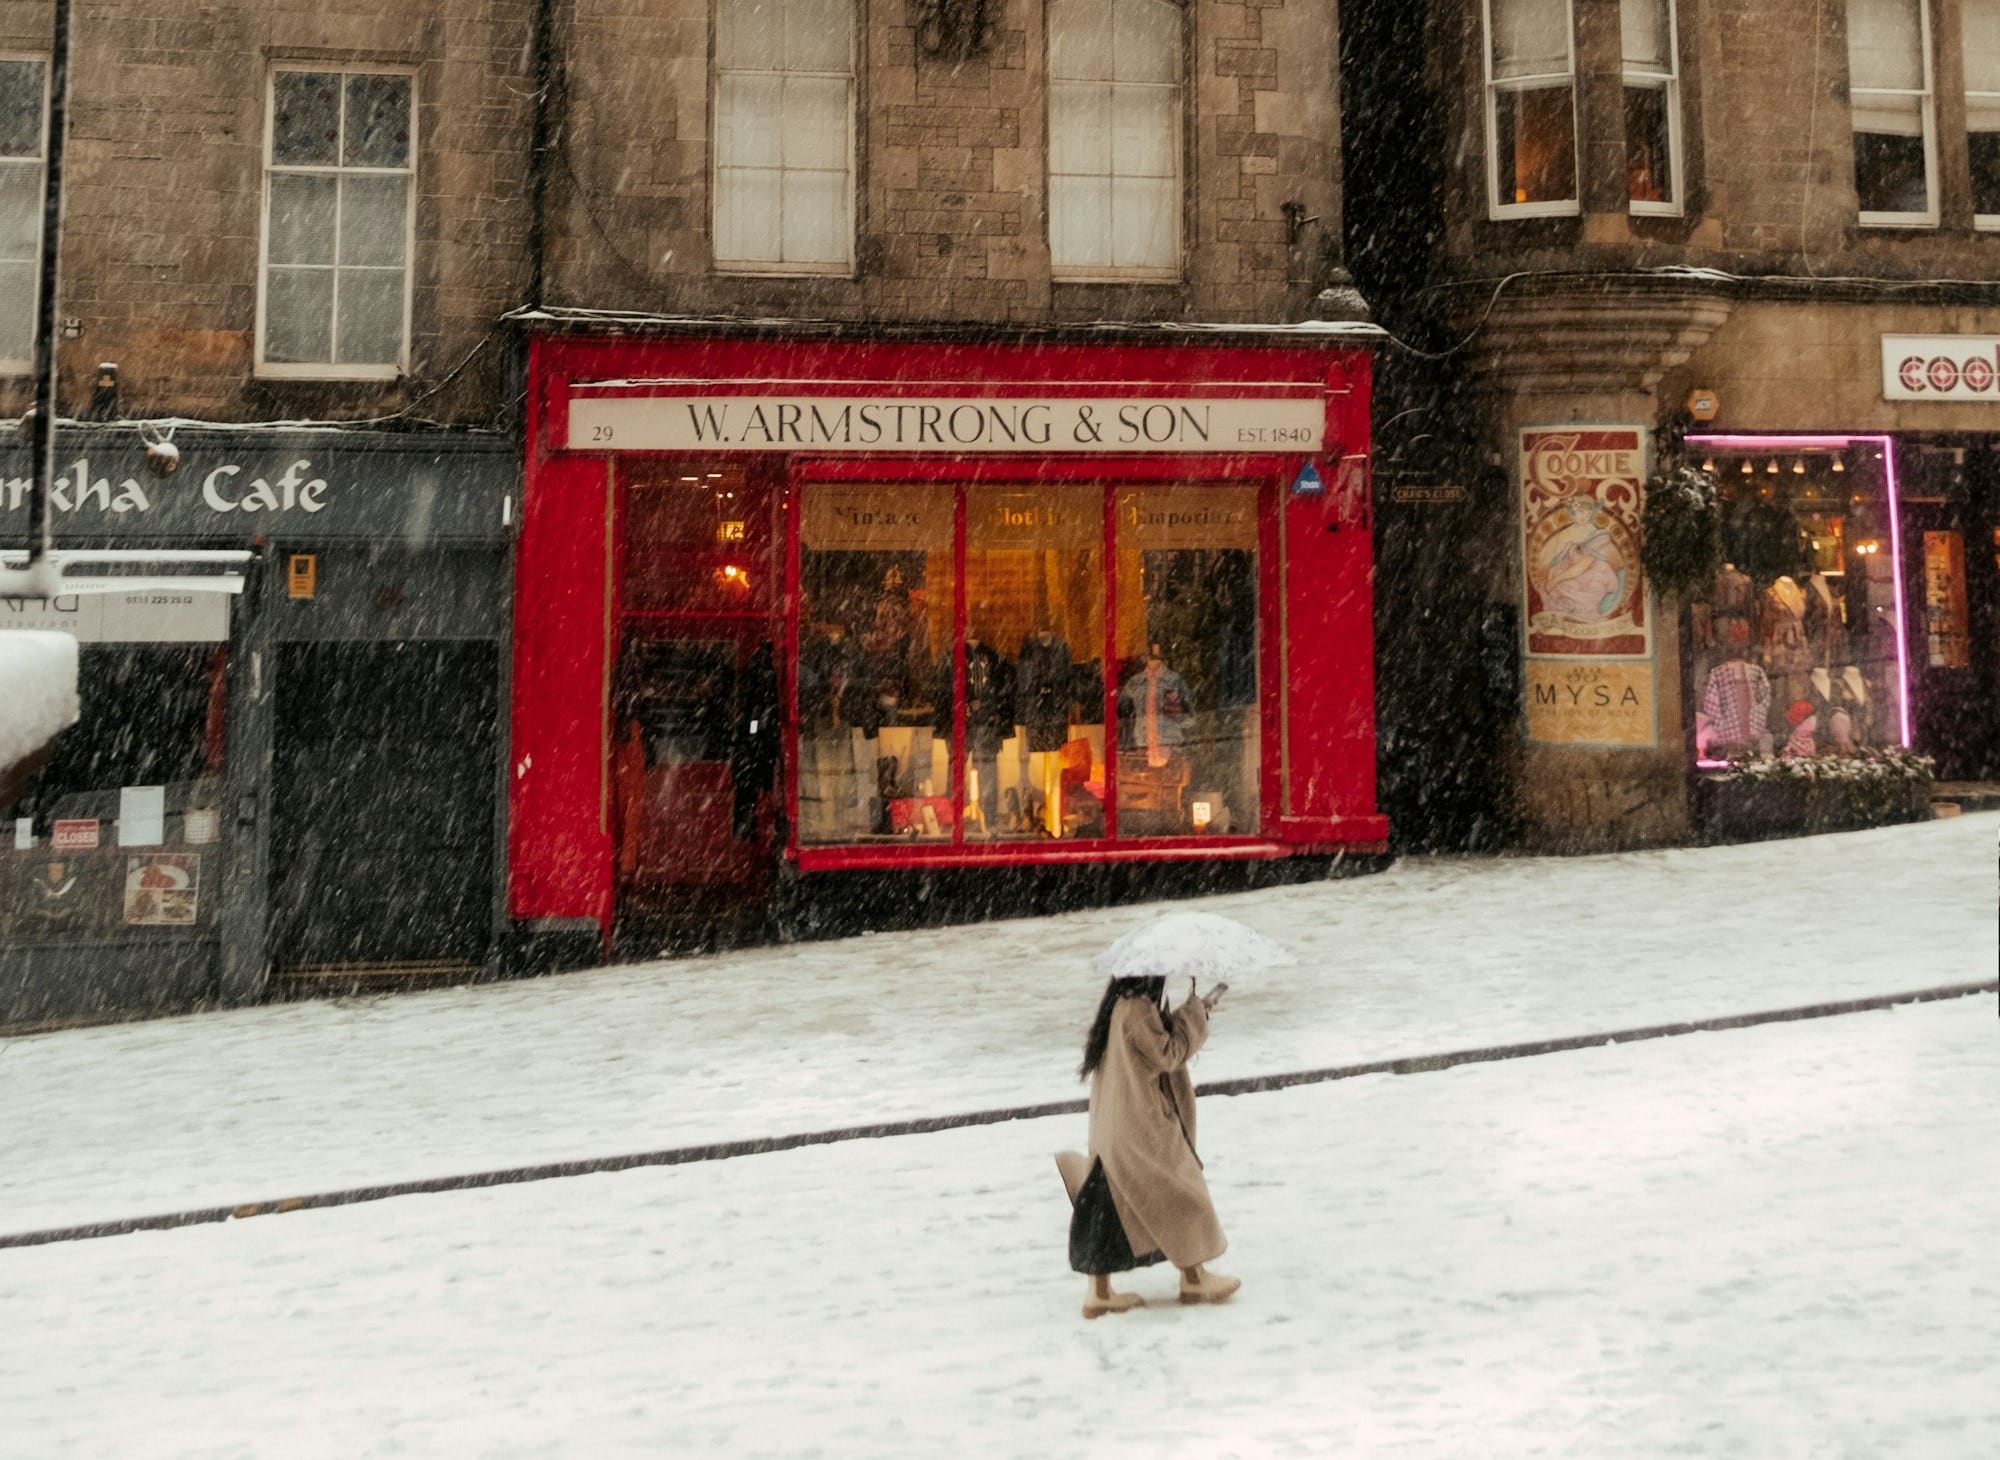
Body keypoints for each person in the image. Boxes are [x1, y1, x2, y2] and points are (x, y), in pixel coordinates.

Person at [1070, 974, 1238, 1319]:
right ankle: (1194, 1279)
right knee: (1181, 1193)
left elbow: (1153, 1044)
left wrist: (1189, 1013)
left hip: (1117, 1124)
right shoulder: (1136, 1009)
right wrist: (1195, 1016)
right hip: (1139, 1124)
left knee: (1113, 1208)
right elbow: (1167, 1055)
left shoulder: (1124, 1006)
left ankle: (1099, 1292)